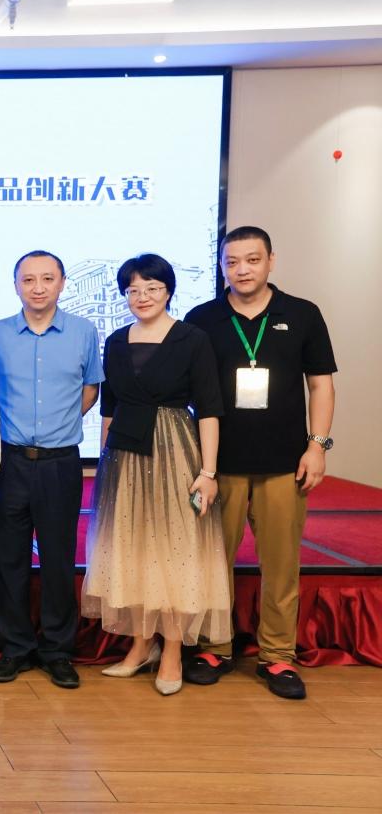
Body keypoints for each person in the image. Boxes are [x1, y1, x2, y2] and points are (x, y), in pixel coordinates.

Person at [184, 226, 337, 700]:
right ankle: (215, 647)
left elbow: (321, 385)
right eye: (231, 262)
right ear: (221, 266)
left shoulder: (303, 314)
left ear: (271, 260)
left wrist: (317, 446)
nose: (242, 270)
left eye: (252, 260)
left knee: (282, 564)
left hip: (284, 463)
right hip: (219, 465)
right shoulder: (201, 319)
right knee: (213, 562)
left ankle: (277, 656)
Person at [81, 253, 232, 696]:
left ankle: (171, 651)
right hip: (125, 456)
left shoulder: (191, 338)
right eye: (133, 290)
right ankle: (140, 646)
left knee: (173, 550)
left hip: (174, 451)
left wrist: (208, 471)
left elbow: (209, 408)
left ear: (168, 291)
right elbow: (109, 407)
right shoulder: (115, 340)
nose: (142, 297)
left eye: (152, 288)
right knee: (132, 548)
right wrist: (104, 462)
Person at [0, 251, 103, 689]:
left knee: (57, 560)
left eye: (47, 278)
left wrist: (58, 424)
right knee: (9, 559)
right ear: (16, 285)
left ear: (62, 283)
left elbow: (89, 390)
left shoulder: (83, 332)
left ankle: (57, 651)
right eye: (28, 279)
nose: (38, 287)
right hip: (9, 462)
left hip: (60, 463)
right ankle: (15, 647)